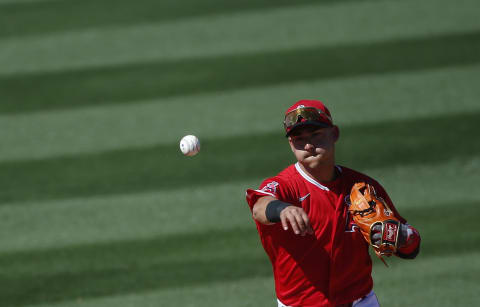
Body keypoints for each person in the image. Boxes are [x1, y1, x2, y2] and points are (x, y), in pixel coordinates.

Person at [245, 99, 421, 307]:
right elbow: (260, 207)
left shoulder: (363, 187)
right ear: (291, 145)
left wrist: (404, 236)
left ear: (334, 133)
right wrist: (282, 208)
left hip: (361, 302)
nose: (308, 145)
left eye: (316, 135)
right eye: (299, 139)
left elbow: (410, 248)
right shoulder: (284, 186)